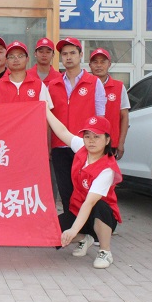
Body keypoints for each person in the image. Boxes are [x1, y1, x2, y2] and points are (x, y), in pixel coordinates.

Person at [46, 110, 122, 269]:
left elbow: (89, 203)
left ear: (107, 140)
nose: (91, 141)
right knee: (50, 234)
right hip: (78, 212)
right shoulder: (82, 148)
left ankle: (105, 251)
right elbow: (62, 131)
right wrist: (45, 109)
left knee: (99, 206)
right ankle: (84, 238)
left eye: (97, 137)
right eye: (87, 136)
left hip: (101, 217)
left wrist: (73, 230)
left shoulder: (107, 169)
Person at [48, 37, 106, 214]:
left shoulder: (94, 83)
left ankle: (89, 225)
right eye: (64, 54)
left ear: (81, 55)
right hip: (60, 147)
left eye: (72, 53)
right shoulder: (53, 85)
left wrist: (99, 146)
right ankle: (72, 224)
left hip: (85, 146)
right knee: (66, 191)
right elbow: (48, 119)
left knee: (86, 190)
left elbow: (100, 117)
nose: (68, 57)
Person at [88, 48, 130, 160]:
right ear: (90, 65)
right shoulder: (84, 86)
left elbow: (124, 117)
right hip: (88, 142)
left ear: (109, 64)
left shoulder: (119, 87)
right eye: (95, 62)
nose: (99, 65)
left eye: (103, 62)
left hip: (111, 143)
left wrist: (121, 143)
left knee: (107, 171)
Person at [0, 40, 52, 108]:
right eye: (11, 56)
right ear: (6, 60)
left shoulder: (39, 85)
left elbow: (45, 111)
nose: (16, 59)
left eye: (20, 56)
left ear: (27, 59)